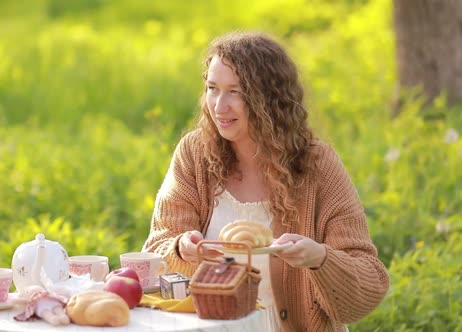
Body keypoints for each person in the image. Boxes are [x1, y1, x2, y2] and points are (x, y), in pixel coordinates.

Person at [142, 31, 389, 331]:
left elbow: (368, 286)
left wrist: (319, 259)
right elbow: (155, 254)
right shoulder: (194, 154)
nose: (219, 106)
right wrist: (182, 248)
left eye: (236, 92)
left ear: (270, 99)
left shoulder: (317, 164)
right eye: (212, 88)